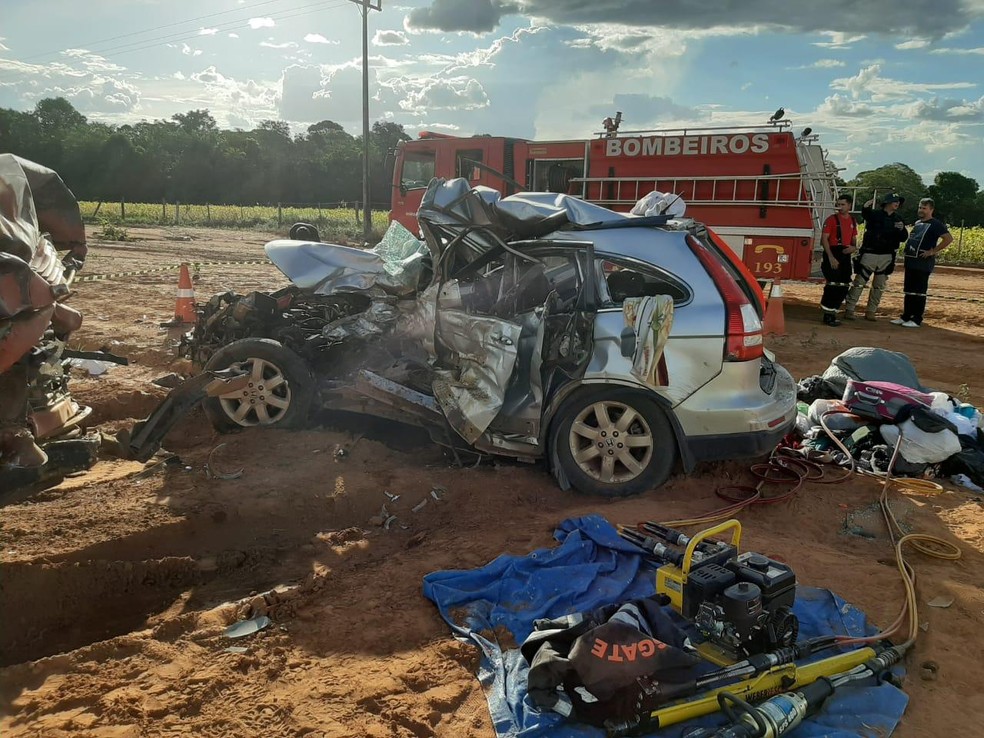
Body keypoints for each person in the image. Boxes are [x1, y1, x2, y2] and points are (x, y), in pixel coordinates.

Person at [842, 192, 908, 321]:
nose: (897, 203)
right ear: (887, 203)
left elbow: (903, 238)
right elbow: (865, 213)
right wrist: (866, 205)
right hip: (870, 254)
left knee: (879, 286)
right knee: (859, 283)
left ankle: (871, 311)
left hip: (887, 256)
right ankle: (849, 309)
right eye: (894, 201)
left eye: (898, 202)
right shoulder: (875, 215)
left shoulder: (898, 219)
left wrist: (902, 229)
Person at [892, 197, 953, 328]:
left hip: (923, 264)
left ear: (931, 210)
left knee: (919, 291)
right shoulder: (918, 222)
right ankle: (906, 316)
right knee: (908, 290)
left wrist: (933, 251)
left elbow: (948, 238)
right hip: (911, 262)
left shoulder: (936, 224)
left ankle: (917, 319)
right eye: (920, 207)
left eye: (924, 208)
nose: (921, 210)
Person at [818, 194, 858, 326]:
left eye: (843, 205)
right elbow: (824, 239)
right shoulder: (831, 220)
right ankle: (827, 315)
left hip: (845, 253)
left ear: (849, 205)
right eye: (838, 204)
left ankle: (833, 310)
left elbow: (854, 239)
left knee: (844, 284)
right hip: (833, 252)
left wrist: (853, 248)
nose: (840, 207)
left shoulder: (852, 221)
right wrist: (830, 257)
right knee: (833, 284)